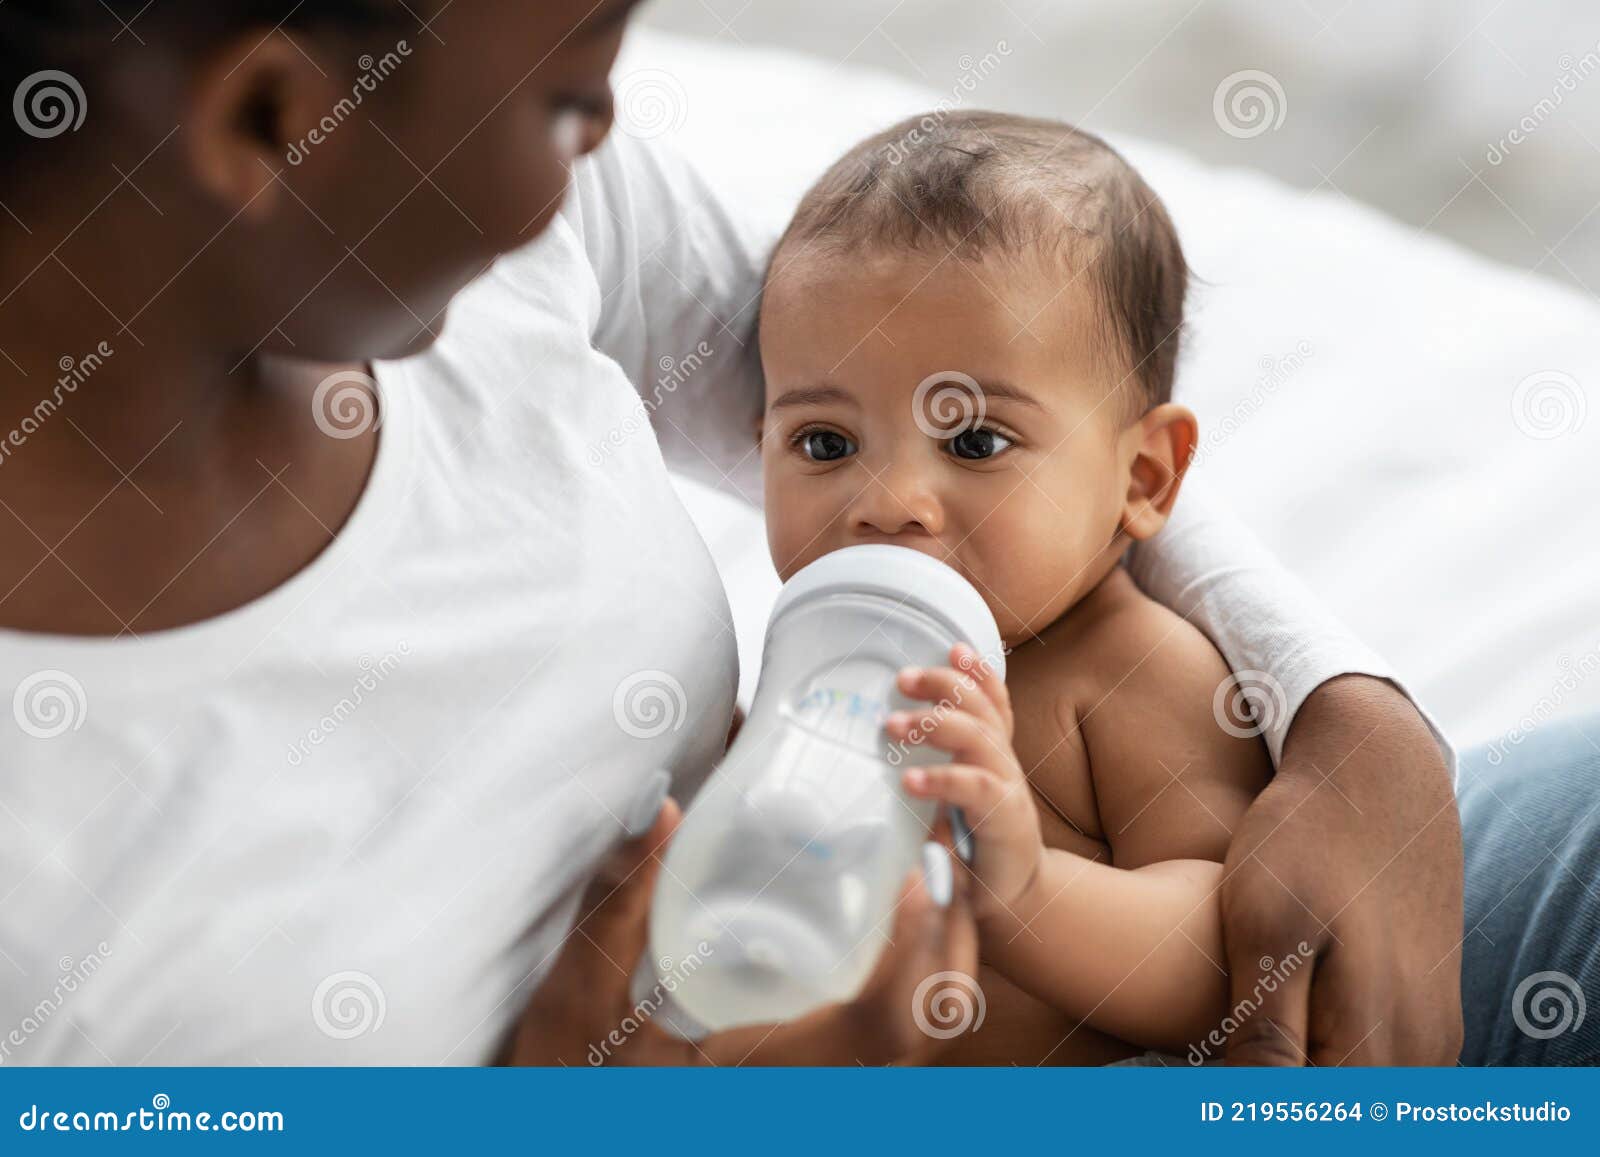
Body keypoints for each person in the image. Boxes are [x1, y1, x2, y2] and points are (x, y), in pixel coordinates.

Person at [0, 0, 1474, 1065]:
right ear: (272, 119)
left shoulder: (1118, 674)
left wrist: (1348, 711)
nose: (604, 147)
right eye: (570, 99)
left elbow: (994, 377)